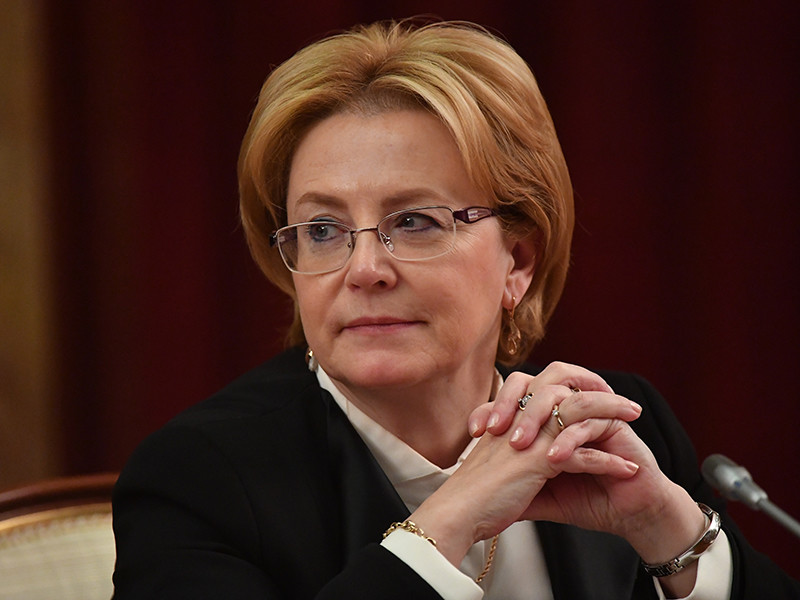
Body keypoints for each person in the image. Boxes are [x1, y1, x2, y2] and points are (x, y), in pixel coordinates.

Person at [111, 19, 800, 600]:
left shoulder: (612, 426)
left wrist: (671, 534)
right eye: (322, 230)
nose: (364, 269)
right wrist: (448, 523)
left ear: (518, 261)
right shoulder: (200, 479)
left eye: (414, 221)